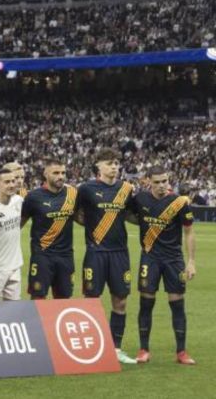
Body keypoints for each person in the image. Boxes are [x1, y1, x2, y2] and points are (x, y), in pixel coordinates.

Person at [75, 148, 139, 364]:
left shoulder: (126, 189)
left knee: (120, 301)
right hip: (96, 252)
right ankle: (91, 347)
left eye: (116, 163)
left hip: (120, 253)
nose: (114, 167)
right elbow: (75, 212)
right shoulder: (85, 189)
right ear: (98, 166)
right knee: (91, 300)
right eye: (110, 163)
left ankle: (116, 349)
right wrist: (89, 224)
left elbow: (131, 213)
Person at [131, 167, 197, 365]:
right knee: (146, 303)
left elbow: (189, 232)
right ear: (148, 181)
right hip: (149, 258)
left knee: (177, 304)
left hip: (174, 260)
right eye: (157, 182)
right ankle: (143, 350)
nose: (162, 186)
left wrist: (191, 261)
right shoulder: (140, 199)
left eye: (165, 181)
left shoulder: (179, 202)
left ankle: (181, 352)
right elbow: (130, 215)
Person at [21, 158, 77, 300]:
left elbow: (82, 217)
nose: (61, 176)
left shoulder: (73, 194)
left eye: (63, 173)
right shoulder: (33, 197)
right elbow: (20, 223)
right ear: (45, 174)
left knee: (64, 300)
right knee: (38, 299)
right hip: (42, 256)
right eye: (56, 173)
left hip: (66, 256)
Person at [0, 168, 24, 302]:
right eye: (7, 182)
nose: (12, 185)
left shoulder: (18, 201)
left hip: (15, 265)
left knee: (14, 306)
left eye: (13, 181)